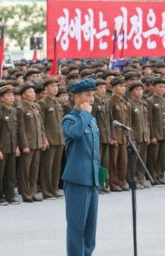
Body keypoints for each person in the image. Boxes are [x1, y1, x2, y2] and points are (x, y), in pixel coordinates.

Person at [61, 78, 100, 256]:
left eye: (93, 95)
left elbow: (94, 151)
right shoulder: (69, 119)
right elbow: (75, 133)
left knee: (90, 227)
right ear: (76, 97)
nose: (92, 98)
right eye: (87, 95)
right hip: (77, 179)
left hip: (92, 179)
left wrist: (99, 177)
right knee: (77, 226)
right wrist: (84, 114)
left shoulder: (91, 120)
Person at [17, 84, 46, 203]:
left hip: (37, 142)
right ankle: (26, 193)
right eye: (30, 92)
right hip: (28, 144)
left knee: (34, 169)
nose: (33, 94)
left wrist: (43, 139)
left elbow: (41, 125)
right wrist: (24, 145)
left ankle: (33, 191)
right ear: (23, 95)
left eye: (34, 92)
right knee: (25, 170)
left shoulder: (36, 106)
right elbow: (21, 129)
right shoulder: (20, 108)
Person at [0, 84, 20, 205]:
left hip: (12, 147)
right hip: (2, 148)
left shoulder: (14, 111)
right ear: (2, 98)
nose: (11, 97)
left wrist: (17, 146)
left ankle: (10, 196)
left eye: (12, 95)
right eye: (8, 95)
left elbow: (16, 131)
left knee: (11, 174)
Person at [38, 78, 65, 200]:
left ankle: (54, 189)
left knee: (56, 166)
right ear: (46, 89)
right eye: (52, 86)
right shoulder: (43, 103)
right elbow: (41, 123)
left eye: (56, 86)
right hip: (50, 139)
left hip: (59, 138)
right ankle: (47, 191)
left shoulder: (58, 102)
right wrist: (44, 138)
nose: (55, 88)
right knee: (47, 167)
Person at [146, 77, 165, 185]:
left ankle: (161, 176)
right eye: (160, 87)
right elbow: (149, 120)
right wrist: (152, 135)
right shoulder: (150, 101)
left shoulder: (164, 100)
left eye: (164, 87)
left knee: (162, 157)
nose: (162, 89)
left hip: (164, 133)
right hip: (156, 133)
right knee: (154, 157)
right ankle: (154, 177)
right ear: (154, 88)